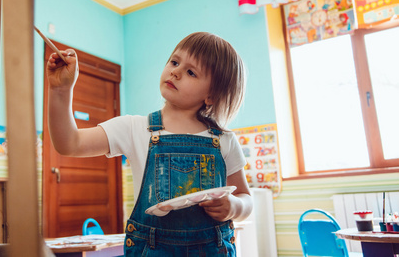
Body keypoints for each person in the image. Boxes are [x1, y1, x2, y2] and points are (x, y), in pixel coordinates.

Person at [47, 32, 253, 256]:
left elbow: (246, 199)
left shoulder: (224, 140)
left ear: (211, 96)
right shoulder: (133, 128)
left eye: (191, 72)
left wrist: (234, 206)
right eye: (175, 62)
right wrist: (60, 90)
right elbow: (69, 143)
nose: (175, 71)